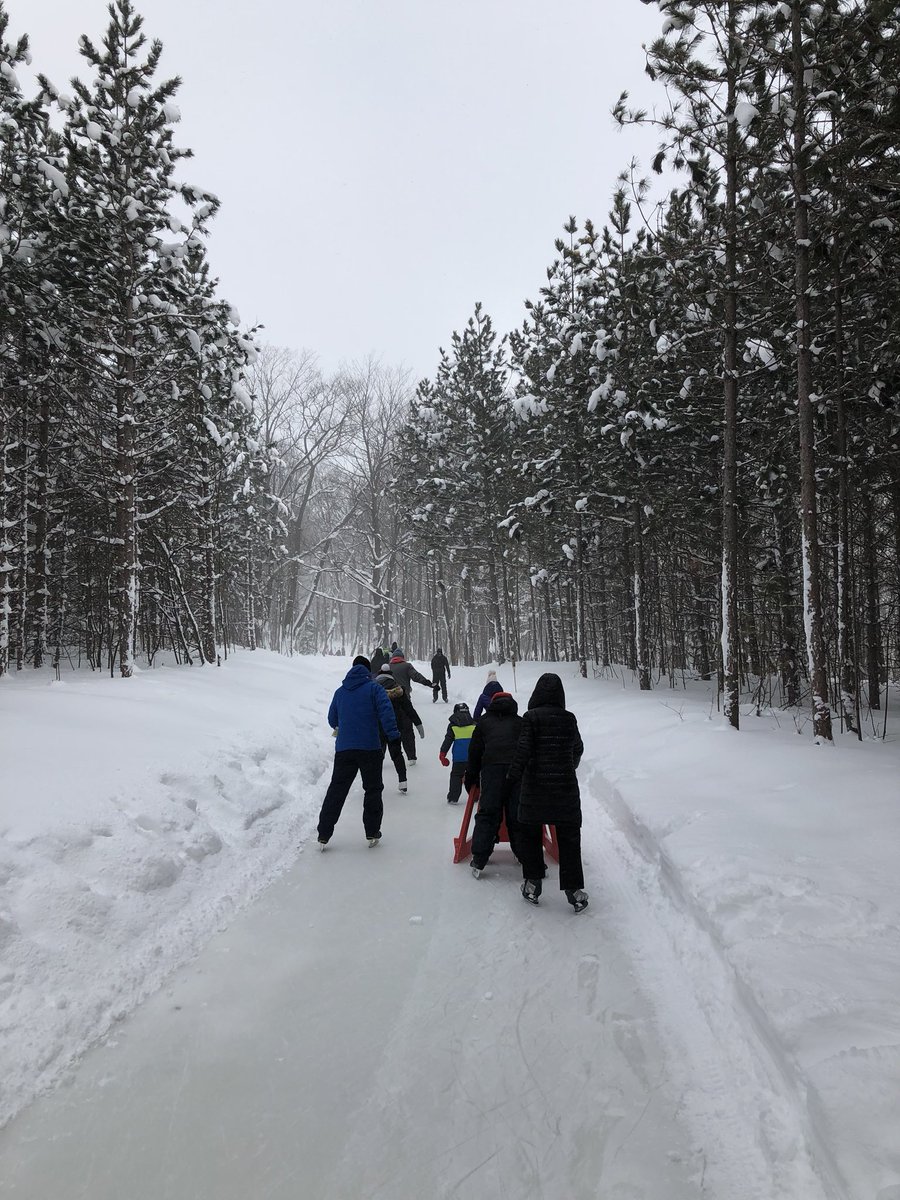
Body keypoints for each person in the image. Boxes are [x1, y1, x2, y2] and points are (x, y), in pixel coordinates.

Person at [506, 673, 588, 913]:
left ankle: (532, 884)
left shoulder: (530, 718)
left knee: (530, 834)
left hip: (535, 789)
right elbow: (578, 748)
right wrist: (568, 765)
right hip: (565, 790)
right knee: (569, 839)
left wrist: (511, 778)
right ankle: (574, 891)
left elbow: (523, 750)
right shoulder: (569, 719)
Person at [317, 655, 401, 848]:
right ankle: (372, 832)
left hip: (344, 749)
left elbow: (332, 719)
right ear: (368, 671)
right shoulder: (374, 689)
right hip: (370, 748)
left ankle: (323, 833)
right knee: (372, 789)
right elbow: (386, 712)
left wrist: (345, 724)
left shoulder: (340, 692)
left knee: (337, 790)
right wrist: (393, 735)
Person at [464, 691, 523, 876]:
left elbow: (474, 752)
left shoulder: (483, 722)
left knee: (488, 813)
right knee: (518, 813)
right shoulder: (520, 722)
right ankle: (525, 855)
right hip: (516, 772)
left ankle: (479, 858)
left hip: (491, 771)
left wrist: (471, 778)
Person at [376, 664, 422, 793]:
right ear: (391, 675)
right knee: (397, 754)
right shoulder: (398, 690)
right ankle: (403, 781)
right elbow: (408, 708)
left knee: (376, 755)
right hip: (394, 726)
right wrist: (418, 723)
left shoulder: (373, 690)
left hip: (378, 727)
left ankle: (376, 782)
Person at [386, 654, 429, 762]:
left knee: (388, 731)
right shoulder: (406, 666)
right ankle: (411, 757)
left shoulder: (387, 667)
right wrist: (428, 683)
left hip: (388, 704)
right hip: (404, 702)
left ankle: (388, 757)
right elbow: (416, 676)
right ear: (402, 657)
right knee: (407, 731)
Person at [438, 702, 475, 803]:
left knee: (456, 776)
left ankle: (453, 798)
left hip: (459, 758)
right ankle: (475, 796)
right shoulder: (475, 724)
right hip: (473, 756)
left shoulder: (453, 726)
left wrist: (442, 754)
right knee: (473, 776)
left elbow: (448, 740)